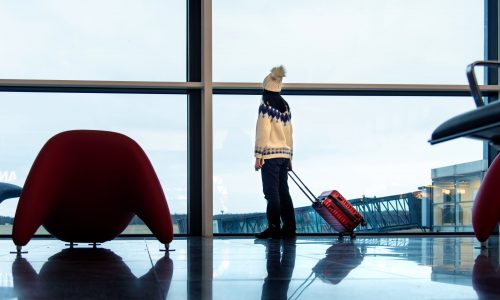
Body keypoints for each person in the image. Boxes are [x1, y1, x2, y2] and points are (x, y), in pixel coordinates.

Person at [254, 65, 296, 239]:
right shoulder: (285, 106)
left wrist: (258, 155)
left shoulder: (266, 106)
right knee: (283, 192)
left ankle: (273, 227)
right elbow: (289, 133)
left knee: (271, 193)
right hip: (284, 154)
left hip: (270, 156)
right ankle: (290, 228)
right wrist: (290, 156)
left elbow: (263, 133)